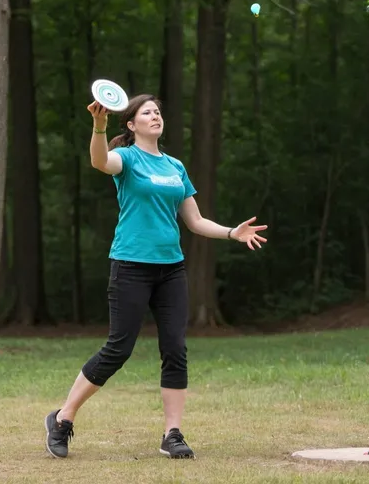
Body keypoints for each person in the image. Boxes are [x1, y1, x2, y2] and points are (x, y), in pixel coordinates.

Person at [44, 93, 268, 460]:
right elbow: (100, 161)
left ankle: (172, 434)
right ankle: (63, 418)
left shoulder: (175, 167)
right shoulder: (127, 159)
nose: (155, 116)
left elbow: (194, 221)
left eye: (158, 111)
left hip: (171, 270)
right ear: (131, 125)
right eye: (147, 112)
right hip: (130, 266)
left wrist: (232, 232)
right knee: (118, 349)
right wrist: (99, 127)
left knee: (175, 349)